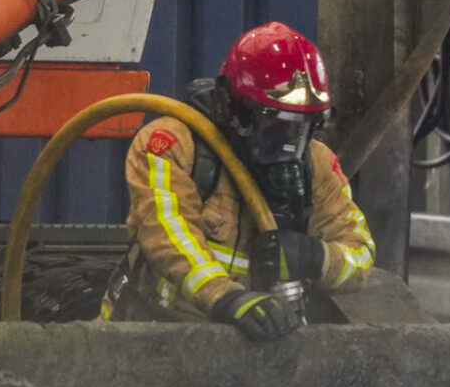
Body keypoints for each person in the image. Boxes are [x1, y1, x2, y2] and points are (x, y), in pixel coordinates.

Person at [101, 22, 376, 339]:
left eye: (302, 126)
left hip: (256, 342)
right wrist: (227, 298)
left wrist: (317, 258)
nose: (288, 143)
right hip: (151, 336)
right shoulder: (173, 145)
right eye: (274, 119)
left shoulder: (318, 163)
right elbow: (168, 237)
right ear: (232, 105)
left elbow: (361, 254)